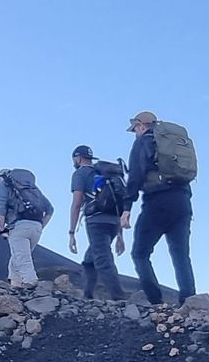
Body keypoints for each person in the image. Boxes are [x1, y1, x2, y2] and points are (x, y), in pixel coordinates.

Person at [121, 110, 196, 306]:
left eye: (135, 128)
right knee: (180, 254)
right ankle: (188, 300)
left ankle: (155, 302)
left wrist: (127, 207)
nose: (135, 132)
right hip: (182, 202)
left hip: (157, 202)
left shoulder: (143, 142)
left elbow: (136, 175)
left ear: (142, 126)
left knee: (140, 253)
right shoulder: (174, 142)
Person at [67, 145, 127, 300]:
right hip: (114, 222)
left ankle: (119, 297)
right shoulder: (104, 173)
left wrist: (72, 233)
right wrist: (120, 235)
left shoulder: (80, 173)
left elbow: (77, 203)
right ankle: (87, 296)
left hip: (96, 221)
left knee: (102, 259)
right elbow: (118, 201)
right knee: (89, 260)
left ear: (78, 158)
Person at [0, 168, 53, 286]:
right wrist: (41, 226)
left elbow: (1, 208)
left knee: (22, 258)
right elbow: (50, 209)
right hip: (36, 227)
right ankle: (15, 285)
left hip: (18, 226)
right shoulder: (32, 188)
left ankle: (30, 282)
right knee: (17, 257)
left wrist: (2, 228)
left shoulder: (4, 185)